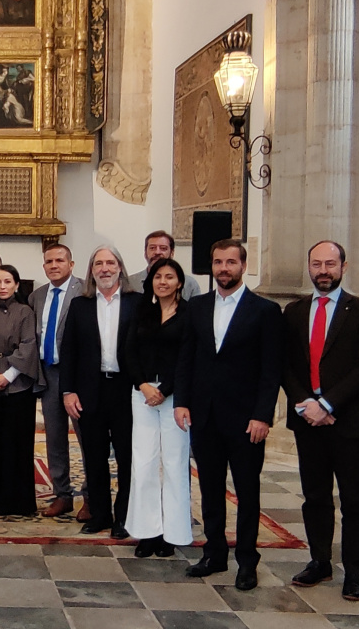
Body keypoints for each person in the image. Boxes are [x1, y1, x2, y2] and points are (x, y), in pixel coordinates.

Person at [174, 239, 281, 591]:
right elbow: (187, 357)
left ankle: (247, 561)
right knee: (209, 488)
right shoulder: (198, 307)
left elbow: (271, 369)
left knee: (247, 491)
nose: (224, 268)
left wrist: (263, 415)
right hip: (204, 415)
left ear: (243, 266)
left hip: (246, 418)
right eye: (218, 262)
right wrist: (182, 401)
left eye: (230, 262)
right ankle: (214, 553)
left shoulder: (264, 310)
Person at [282, 241, 359, 601]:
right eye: (317, 263)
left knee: (354, 500)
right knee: (315, 497)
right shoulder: (293, 311)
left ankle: (354, 573)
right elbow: (287, 366)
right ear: (308, 267)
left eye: (330, 263)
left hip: (350, 420)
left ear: (344, 266)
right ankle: (319, 561)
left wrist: (327, 403)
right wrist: (304, 404)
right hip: (308, 420)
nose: (323, 270)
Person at [61, 247, 141, 539]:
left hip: (126, 391)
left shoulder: (138, 303)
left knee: (127, 457)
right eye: (98, 264)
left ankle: (125, 517)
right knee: (93, 457)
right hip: (90, 389)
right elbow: (68, 350)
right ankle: (100, 514)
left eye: (110, 263)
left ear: (120, 267)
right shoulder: (80, 305)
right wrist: (68, 391)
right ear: (91, 270)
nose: (104, 269)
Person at [122, 258, 193, 559]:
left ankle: (172, 533)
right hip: (143, 394)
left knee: (175, 465)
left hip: (175, 398)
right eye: (158, 277)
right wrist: (143, 385)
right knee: (144, 463)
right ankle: (147, 532)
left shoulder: (189, 315)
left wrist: (165, 390)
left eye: (169, 277)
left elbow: (188, 358)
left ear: (180, 282)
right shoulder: (142, 311)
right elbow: (128, 351)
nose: (163, 281)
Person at [28, 243, 83, 519]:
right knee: (54, 438)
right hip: (49, 374)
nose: (54, 265)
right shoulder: (36, 296)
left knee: (87, 438)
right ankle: (62, 494)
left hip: (78, 375)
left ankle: (92, 495)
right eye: (49, 261)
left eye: (59, 260)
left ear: (71, 264)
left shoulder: (85, 291)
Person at [0, 265, 41, 516]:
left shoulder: (25, 312)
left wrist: (7, 376)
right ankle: (0, 497)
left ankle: (22, 501)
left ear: (16, 284)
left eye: (7, 281)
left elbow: (28, 345)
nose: (2, 286)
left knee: (18, 444)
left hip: (17, 384)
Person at [130, 231, 202, 300]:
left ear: (172, 253)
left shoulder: (189, 284)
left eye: (163, 248)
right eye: (152, 248)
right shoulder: (130, 283)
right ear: (145, 253)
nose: (157, 252)